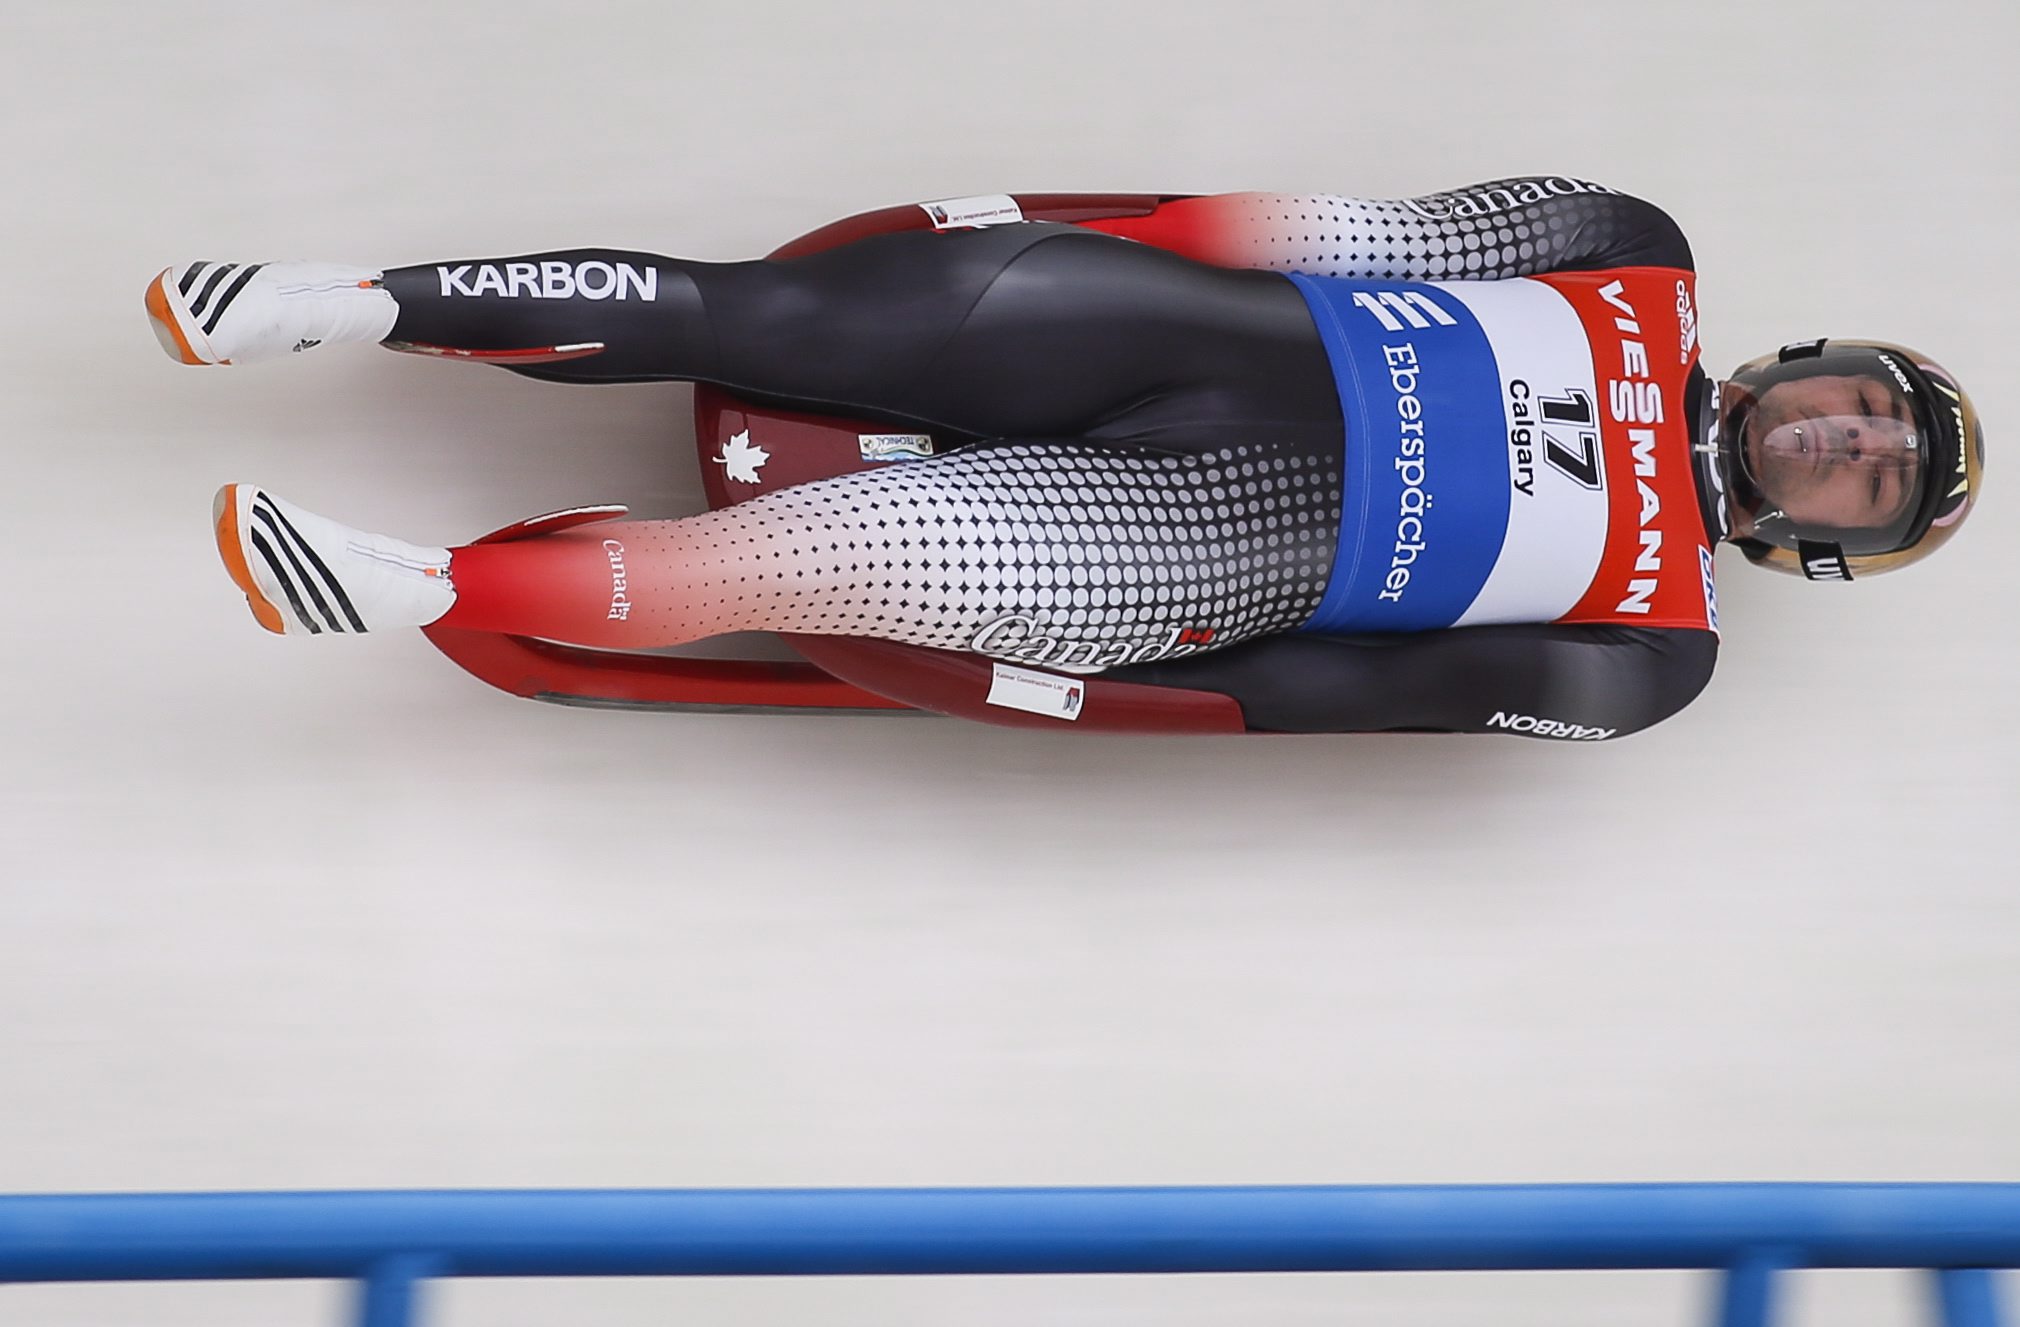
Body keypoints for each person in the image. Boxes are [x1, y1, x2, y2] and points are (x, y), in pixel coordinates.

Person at [144, 178, 1985, 739]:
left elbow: (1333, 696)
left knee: (788, 569)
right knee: (757, 317)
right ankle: (341, 303)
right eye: (1862, 400)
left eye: (1866, 474)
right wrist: (1072, 229)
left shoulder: (1654, 653)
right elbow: (1339, 238)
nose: (1839, 436)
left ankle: (410, 588)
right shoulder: (1628, 250)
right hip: (1156, 337)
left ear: (1834, 535)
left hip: (1168, 546)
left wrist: (1112, 696)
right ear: (1810, 357)